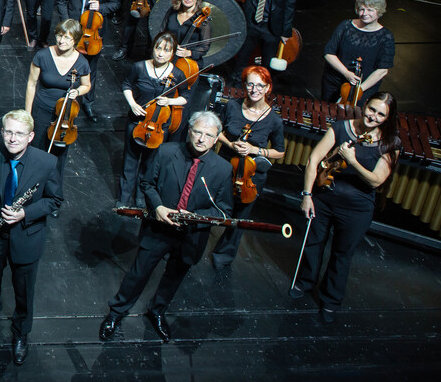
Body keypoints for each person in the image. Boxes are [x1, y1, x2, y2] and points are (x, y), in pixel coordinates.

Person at [99, 111, 230, 344]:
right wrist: (158, 207)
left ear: (217, 138)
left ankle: (157, 311)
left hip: (191, 235)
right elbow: (147, 183)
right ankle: (116, 313)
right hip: (159, 228)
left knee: (173, 278)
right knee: (138, 274)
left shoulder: (223, 169)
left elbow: (222, 211)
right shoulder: (167, 151)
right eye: (198, 132)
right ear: (189, 131)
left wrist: (196, 217)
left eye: (208, 135)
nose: (201, 139)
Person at [0, 110, 63, 366]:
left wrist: (25, 213)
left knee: (24, 291)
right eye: (8, 132)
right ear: (2, 132)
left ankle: (21, 333)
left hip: (26, 236)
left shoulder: (46, 162)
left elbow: (55, 200)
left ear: (30, 136)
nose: (12, 138)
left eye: (19, 134)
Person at [293, 93, 401, 323]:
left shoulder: (390, 143)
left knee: (342, 254)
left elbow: (375, 181)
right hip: (323, 199)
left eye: (381, 114)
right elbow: (313, 159)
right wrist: (307, 195)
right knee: (313, 244)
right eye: (372, 109)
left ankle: (330, 300)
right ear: (365, 106)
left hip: (356, 209)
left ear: (388, 117)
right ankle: (304, 283)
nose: (374, 116)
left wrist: (352, 160)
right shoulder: (341, 128)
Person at [209, 65, 285, 268]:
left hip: (251, 174)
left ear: (268, 88)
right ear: (245, 84)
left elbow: (280, 151)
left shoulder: (274, 120)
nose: (254, 90)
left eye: (260, 85)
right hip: (225, 165)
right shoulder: (232, 106)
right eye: (250, 84)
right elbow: (217, 131)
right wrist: (231, 144)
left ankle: (223, 256)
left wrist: (255, 150)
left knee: (240, 218)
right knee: (209, 205)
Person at [118, 33, 189, 207]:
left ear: (172, 53)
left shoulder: (177, 74)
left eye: (166, 50)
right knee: (130, 160)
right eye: (158, 48)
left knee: (150, 162)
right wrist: (133, 103)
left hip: (159, 126)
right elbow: (127, 84)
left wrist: (170, 101)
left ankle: (141, 197)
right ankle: (123, 199)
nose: (160, 53)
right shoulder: (139, 67)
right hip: (138, 121)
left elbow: (186, 97)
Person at [54, 0, 118, 119]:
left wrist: (102, 8)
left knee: (90, 70)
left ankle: (88, 103)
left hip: (93, 34)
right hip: (72, 30)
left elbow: (115, 3)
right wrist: (67, 25)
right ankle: (62, 100)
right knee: (65, 65)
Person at [23, 19, 91, 179]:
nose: (62, 41)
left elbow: (86, 85)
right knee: (36, 152)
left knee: (58, 157)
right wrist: (28, 114)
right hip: (41, 111)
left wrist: (78, 91)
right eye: (60, 35)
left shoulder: (81, 62)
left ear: (76, 39)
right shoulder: (42, 56)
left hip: (65, 116)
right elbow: (31, 85)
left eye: (67, 37)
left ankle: (53, 193)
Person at [321, 0, 395, 104]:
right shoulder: (345, 26)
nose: (365, 13)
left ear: (379, 11)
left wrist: (358, 90)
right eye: (362, 9)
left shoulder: (386, 37)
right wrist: (346, 73)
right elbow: (328, 53)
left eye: (370, 10)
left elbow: (382, 70)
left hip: (364, 88)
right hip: (334, 83)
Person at [163, 0, 211, 65]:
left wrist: (189, 53)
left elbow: (205, 46)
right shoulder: (172, 11)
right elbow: (162, 33)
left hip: (189, 63)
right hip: (168, 57)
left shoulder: (202, 19)